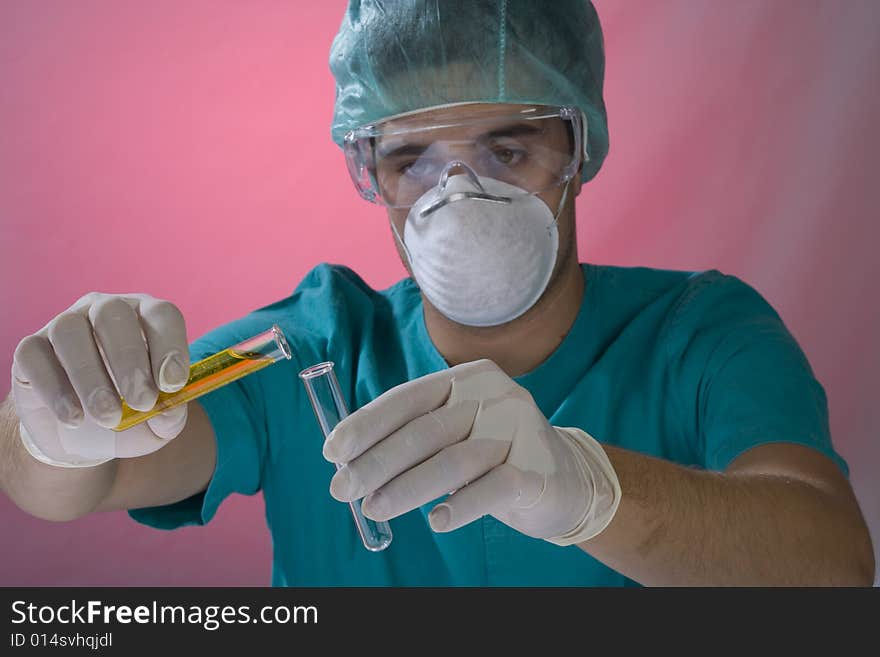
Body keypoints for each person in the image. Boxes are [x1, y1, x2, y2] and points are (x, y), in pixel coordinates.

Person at [1, 0, 874, 587]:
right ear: (368, 170)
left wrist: (590, 489)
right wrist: (55, 420)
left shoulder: (703, 336)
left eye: (507, 147)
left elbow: (834, 566)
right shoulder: (312, 349)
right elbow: (83, 471)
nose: (458, 195)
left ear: (579, 149)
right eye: (411, 159)